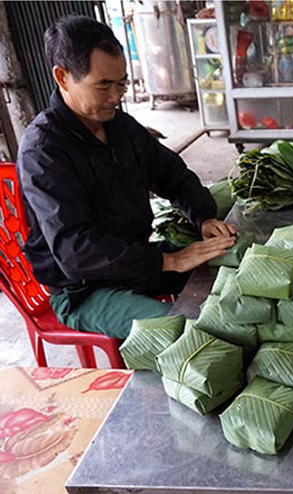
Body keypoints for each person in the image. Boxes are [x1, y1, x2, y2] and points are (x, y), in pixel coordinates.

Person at [16, 16, 237, 339]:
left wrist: (202, 216)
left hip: (134, 263)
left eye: (121, 83)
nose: (116, 96)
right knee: (191, 331)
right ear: (63, 78)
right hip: (83, 290)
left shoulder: (120, 126)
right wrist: (167, 261)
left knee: (233, 265)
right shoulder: (43, 149)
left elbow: (171, 174)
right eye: (103, 85)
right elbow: (77, 252)